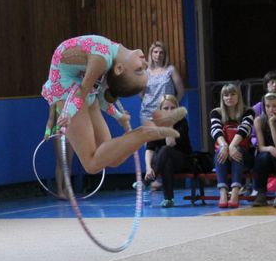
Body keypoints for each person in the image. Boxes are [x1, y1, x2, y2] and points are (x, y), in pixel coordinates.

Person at [40, 35, 184, 175]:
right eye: (143, 69)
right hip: (68, 88)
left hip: (73, 90)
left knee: (108, 159)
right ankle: (143, 134)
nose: (145, 63)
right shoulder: (104, 57)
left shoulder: (108, 57)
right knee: (97, 162)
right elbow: (88, 94)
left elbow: (89, 93)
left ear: (119, 69)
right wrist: (68, 114)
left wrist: (119, 116)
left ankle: (143, 134)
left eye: (139, 70)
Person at [209, 82, 255, 208]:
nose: (229, 97)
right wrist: (224, 146)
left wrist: (231, 146)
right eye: (226, 95)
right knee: (220, 151)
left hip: (244, 155)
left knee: (237, 150)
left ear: (238, 96)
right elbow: (215, 131)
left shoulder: (248, 111)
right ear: (222, 98)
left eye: (233, 94)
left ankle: (235, 192)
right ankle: (223, 192)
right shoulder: (216, 113)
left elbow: (244, 129)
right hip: (223, 155)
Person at [145, 95, 192, 208]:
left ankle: (146, 182)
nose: (169, 111)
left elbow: (170, 143)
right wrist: (148, 168)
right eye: (166, 108)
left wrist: (170, 123)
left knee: (166, 149)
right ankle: (169, 199)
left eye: (173, 108)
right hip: (163, 161)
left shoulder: (182, 122)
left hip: (183, 160)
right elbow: (149, 149)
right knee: (167, 160)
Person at [252, 92, 276, 206]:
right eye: (268, 106)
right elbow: (260, 147)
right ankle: (261, 193)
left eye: (274, 106)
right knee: (262, 157)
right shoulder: (258, 120)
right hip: (266, 154)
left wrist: (271, 123)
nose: (271, 109)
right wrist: (270, 149)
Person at [139, 41, 186, 126]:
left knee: (168, 138)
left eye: (161, 53)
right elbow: (141, 94)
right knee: (151, 139)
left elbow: (181, 92)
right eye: (155, 52)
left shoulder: (171, 70)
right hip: (148, 114)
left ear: (164, 55)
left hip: (166, 114)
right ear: (151, 54)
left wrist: (171, 107)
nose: (158, 55)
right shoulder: (145, 73)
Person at [43, 100, 75, 199]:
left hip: (71, 134)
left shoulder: (74, 100)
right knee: (61, 163)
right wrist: (47, 132)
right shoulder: (55, 101)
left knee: (69, 163)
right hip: (59, 134)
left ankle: (67, 189)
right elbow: (51, 118)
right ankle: (60, 190)